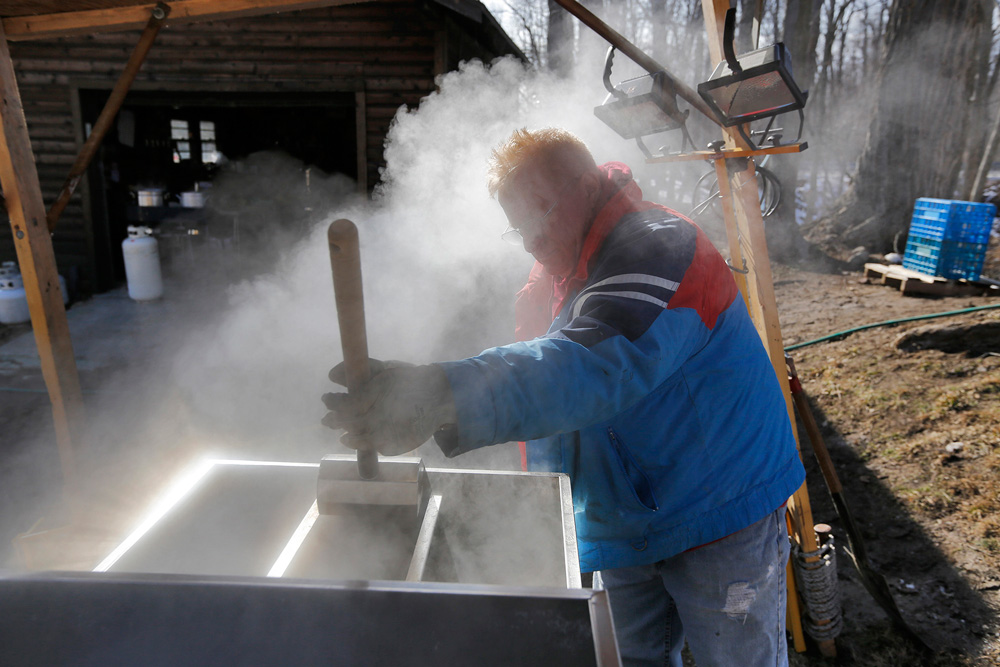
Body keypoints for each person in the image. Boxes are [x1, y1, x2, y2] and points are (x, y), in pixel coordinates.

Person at [322, 127, 806, 667]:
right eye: (517, 229)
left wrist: (441, 392)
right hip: (623, 519)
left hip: (720, 508)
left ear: (587, 187)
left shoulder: (659, 245)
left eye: (537, 216)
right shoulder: (551, 279)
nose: (529, 241)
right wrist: (538, 513)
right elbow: (544, 393)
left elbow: (589, 366)